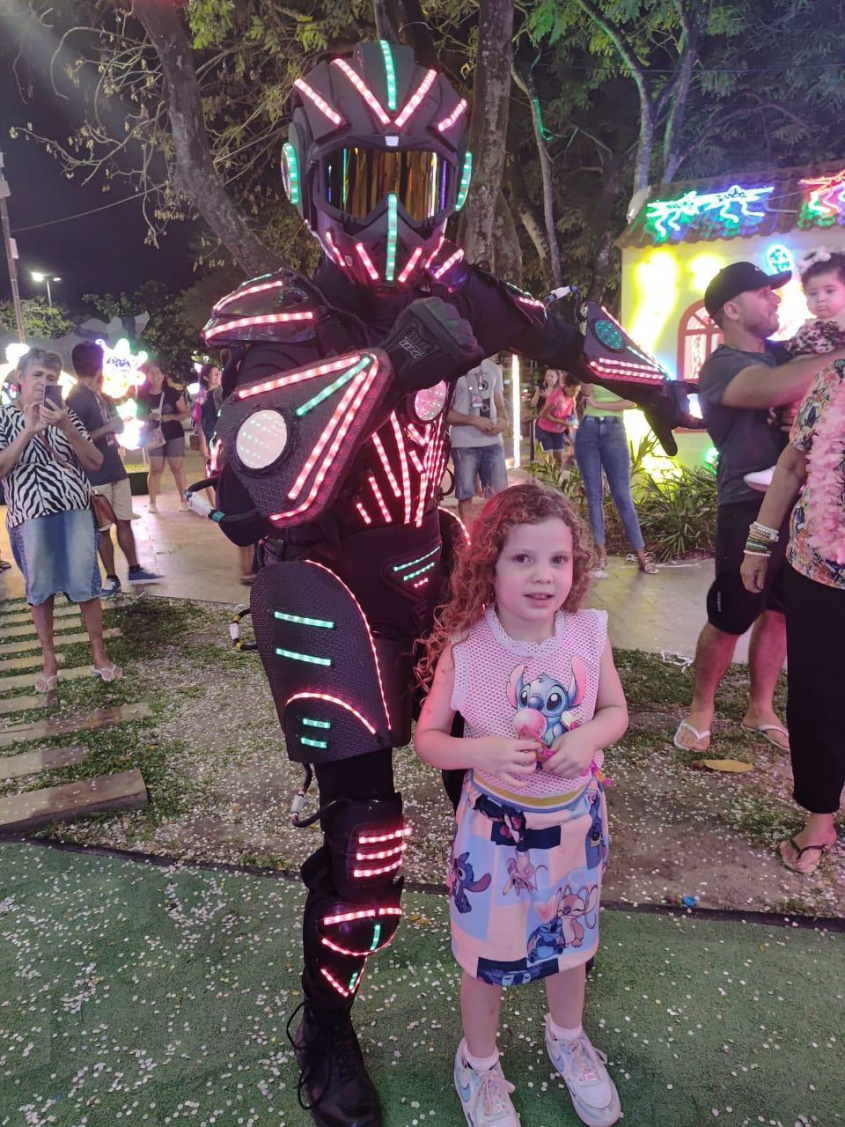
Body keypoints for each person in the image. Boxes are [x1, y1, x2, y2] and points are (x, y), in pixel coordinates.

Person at [194, 42, 692, 1127]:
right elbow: (257, 491)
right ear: (309, 175)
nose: (389, 214)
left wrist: (658, 385)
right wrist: (382, 367)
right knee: (366, 834)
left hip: (432, 572)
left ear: (448, 182)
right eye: (363, 179)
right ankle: (324, 1023)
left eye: (411, 182)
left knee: (517, 792)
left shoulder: (451, 287)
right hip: (320, 583)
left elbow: (553, 322)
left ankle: (524, 1011)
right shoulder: (263, 316)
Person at [414, 482, 626, 1127]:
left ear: (575, 567)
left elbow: (615, 711)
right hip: (494, 833)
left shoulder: (588, 634)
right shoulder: (467, 646)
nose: (544, 576)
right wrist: (476, 753)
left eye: (558, 560)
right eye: (523, 559)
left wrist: (588, 734)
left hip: (575, 825)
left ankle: (567, 1039)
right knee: (485, 959)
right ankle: (478, 1063)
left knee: (571, 943)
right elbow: (426, 740)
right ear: (489, 565)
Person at [674, 260, 845, 753]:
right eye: (763, 293)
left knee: (781, 610)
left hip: (807, 505)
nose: (776, 299)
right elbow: (777, 391)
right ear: (731, 309)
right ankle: (701, 708)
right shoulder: (722, 366)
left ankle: (760, 708)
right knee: (733, 610)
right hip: (746, 504)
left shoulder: (786, 353)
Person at [740, 296, 845, 876]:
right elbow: (793, 463)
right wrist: (760, 542)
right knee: (818, 695)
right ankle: (820, 815)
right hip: (818, 566)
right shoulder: (832, 381)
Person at [0, 348, 122, 689]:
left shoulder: (65, 416)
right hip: (30, 516)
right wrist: (27, 431)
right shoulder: (4, 419)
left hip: (75, 511)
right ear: (21, 380)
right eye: (37, 375)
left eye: (51, 378)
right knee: (40, 591)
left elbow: (95, 461)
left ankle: (99, 656)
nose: (44, 383)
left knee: (86, 586)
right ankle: (49, 661)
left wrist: (66, 424)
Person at [745, 246, 845, 490]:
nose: (820, 299)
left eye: (829, 291)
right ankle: (791, 470)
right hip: (808, 397)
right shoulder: (808, 330)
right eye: (813, 293)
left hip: (836, 398)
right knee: (796, 427)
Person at [68, 342, 160, 595]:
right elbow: (78, 438)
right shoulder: (76, 398)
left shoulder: (99, 395)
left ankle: (135, 569)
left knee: (124, 521)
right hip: (95, 474)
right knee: (103, 528)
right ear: (98, 365)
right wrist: (110, 427)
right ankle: (111, 577)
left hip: (115, 468)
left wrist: (116, 426)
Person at [574, 383, 658, 578]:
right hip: (588, 428)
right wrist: (586, 374)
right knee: (594, 496)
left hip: (614, 430)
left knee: (622, 496)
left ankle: (641, 554)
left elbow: (631, 402)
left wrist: (599, 404)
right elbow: (586, 393)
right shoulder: (592, 366)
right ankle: (600, 555)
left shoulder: (620, 370)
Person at [448, 357, 510, 523]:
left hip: (493, 442)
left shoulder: (493, 369)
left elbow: (500, 405)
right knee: (465, 495)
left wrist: (504, 421)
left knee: (499, 497)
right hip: (464, 444)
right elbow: (446, 414)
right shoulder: (453, 368)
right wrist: (473, 420)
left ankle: (494, 538)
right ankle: (469, 541)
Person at [136, 359, 189, 513]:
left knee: (177, 468)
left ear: (163, 375)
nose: (155, 376)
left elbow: (184, 413)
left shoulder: (172, 393)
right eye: (151, 373)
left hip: (174, 434)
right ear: (146, 375)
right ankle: (152, 502)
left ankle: (184, 500)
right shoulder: (142, 394)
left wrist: (170, 417)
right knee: (155, 469)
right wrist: (149, 417)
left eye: (158, 372)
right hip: (153, 435)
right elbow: (138, 415)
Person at [535, 368, 578, 470]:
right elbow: (543, 414)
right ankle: (549, 480)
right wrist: (562, 422)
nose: (574, 393)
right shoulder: (557, 396)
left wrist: (574, 428)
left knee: (559, 459)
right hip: (545, 429)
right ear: (567, 387)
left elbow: (572, 411)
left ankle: (557, 481)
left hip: (559, 430)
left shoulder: (572, 395)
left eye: (577, 391)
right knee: (549, 458)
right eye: (572, 390)